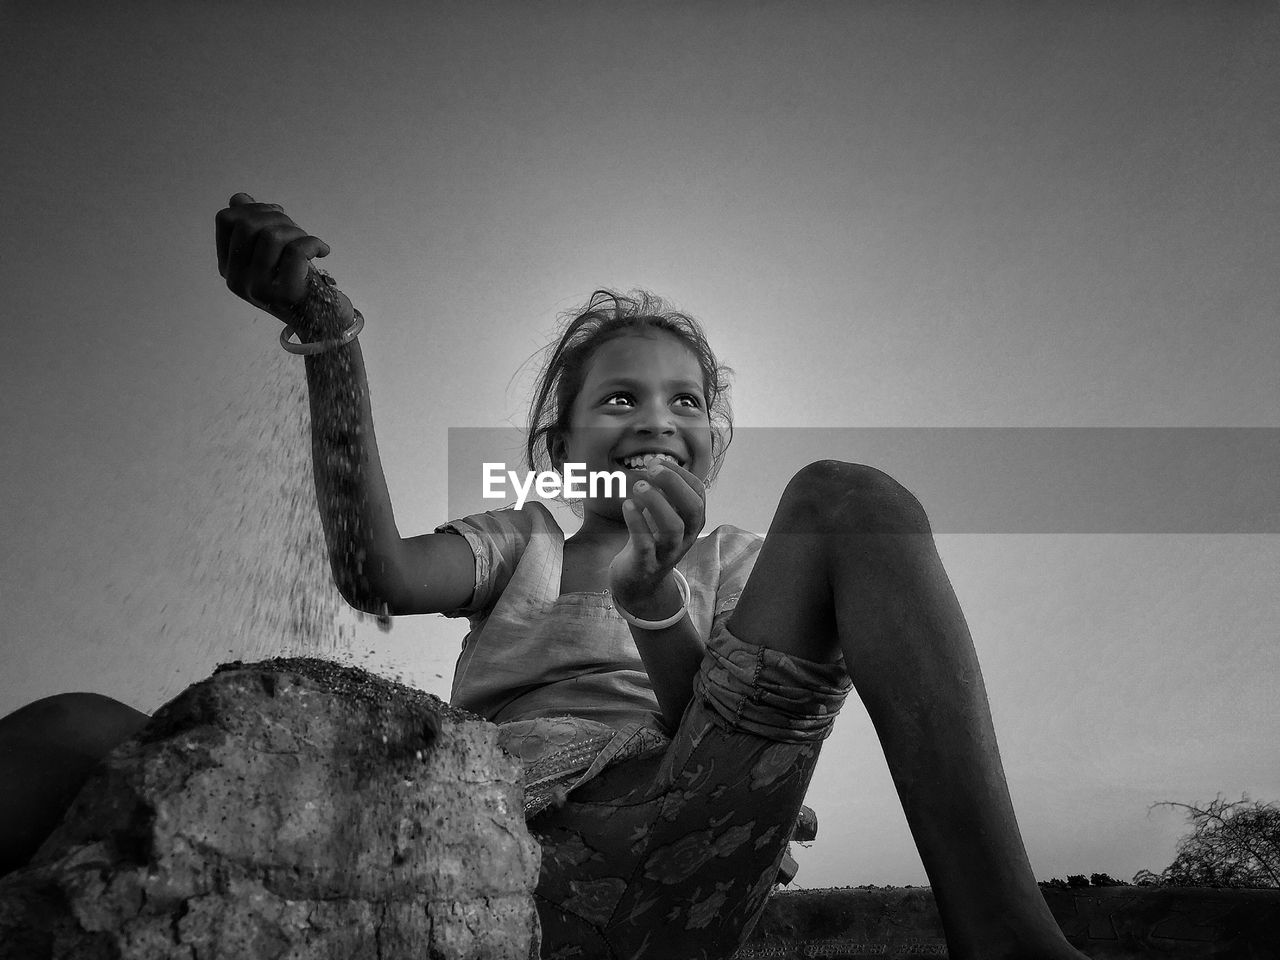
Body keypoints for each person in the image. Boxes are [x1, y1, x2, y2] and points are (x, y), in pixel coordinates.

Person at [0, 193, 1090, 960]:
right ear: (559, 441)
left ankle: (1003, 933)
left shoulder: (737, 564)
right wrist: (330, 338)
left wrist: (655, 599)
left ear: (715, 432)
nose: (656, 419)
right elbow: (371, 569)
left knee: (854, 500)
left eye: (685, 400)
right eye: (618, 401)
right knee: (68, 729)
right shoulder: (520, 541)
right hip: (457, 847)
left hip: (658, 847)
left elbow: (713, 731)